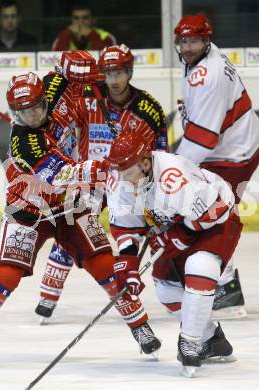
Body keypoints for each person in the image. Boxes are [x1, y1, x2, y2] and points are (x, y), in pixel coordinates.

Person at [0, 64, 161, 369]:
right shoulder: (24, 142)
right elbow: (64, 175)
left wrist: (81, 66)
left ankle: (141, 327)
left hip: (70, 206)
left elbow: (66, 68)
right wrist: (107, 165)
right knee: (6, 271)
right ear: (13, 112)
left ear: (45, 99)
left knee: (104, 263)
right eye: (23, 110)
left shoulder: (53, 91)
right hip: (29, 210)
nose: (31, 114)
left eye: (35, 106)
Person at [35, 45, 168, 327]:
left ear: (129, 71)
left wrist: (156, 194)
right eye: (108, 72)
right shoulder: (87, 96)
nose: (114, 79)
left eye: (119, 72)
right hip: (92, 175)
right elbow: (61, 118)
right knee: (70, 230)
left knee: (137, 236)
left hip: (129, 180)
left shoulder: (149, 109)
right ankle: (48, 294)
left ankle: (163, 290)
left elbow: (161, 153)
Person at [107, 127, 240, 377]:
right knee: (167, 290)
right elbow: (125, 226)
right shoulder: (120, 179)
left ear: (146, 162)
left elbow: (216, 211)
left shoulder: (172, 174)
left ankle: (190, 341)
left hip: (216, 220)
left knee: (199, 267)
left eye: (129, 172)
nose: (123, 179)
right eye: (119, 172)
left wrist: (179, 237)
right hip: (172, 225)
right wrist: (128, 264)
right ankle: (212, 340)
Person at [173, 14, 259, 319]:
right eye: (184, 41)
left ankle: (224, 285)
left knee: (208, 214)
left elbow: (203, 138)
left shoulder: (207, 75)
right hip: (238, 144)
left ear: (206, 40)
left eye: (194, 41)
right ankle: (223, 280)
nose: (188, 47)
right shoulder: (206, 58)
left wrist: (173, 168)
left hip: (231, 154)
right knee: (206, 212)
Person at [52, 5, 117, 51]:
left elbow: (107, 56)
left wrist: (91, 34)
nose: (80, 22)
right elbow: (55, 58)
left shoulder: (106, 36)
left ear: (93, 20)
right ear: (71, 20)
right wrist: (67, 33)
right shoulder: (64, 35)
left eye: (85, 18)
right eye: (76, 18)